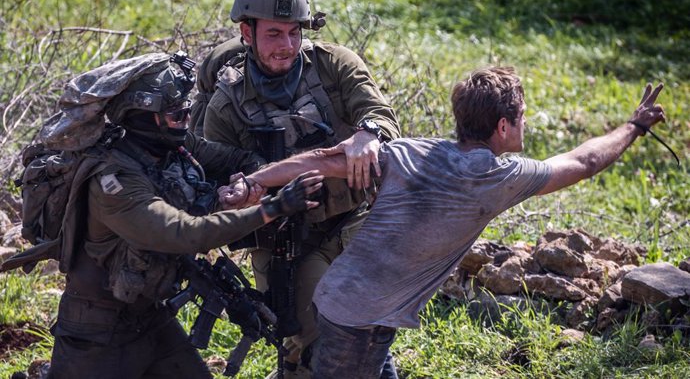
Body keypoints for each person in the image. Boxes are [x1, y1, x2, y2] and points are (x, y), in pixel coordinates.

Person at [232, 66, 667, 379]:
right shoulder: (497, 178)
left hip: (348, 303)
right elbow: (584, 160)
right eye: (522, 116)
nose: (526, 123)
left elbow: (323, 160)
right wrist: (634, 126)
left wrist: (252, 181)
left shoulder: (412, 150)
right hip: (359, 322)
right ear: (502, 126)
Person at [43, 52, 323, 379]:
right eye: (177, 114)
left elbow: (240, 158)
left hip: (150, 317)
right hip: (96, 333)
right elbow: (185, 233)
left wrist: (249, 183)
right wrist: (273, 208)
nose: (186, 121)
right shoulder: (113, 183)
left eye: (187, 111)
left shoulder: (172, 146)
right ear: (143, 117)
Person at [201, 0, 401, 377]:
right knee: (311, 342)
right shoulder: (226, 105)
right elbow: (217, 180)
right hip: (285, 241)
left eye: (295, 33)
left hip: (355, 218)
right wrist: (240, 192)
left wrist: (369, 133)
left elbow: (381, 115)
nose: (287, 46)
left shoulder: (333, 66)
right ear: (247, 32)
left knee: (362, 327)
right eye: (274, 34)